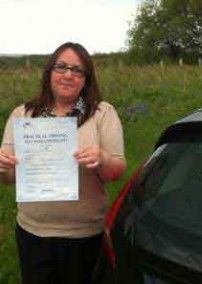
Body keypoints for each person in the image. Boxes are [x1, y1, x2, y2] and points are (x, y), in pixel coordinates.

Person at [0, 42, 127, 284]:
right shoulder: (23, 115)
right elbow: (7, 179)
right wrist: (4, 167)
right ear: (49, 72)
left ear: (86, 78)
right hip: (33, 232)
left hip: (85, 234)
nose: (68, 74)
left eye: (77, 70)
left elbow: (117, 171)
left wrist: (102, 158)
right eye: (61, 67)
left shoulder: (102, 113)